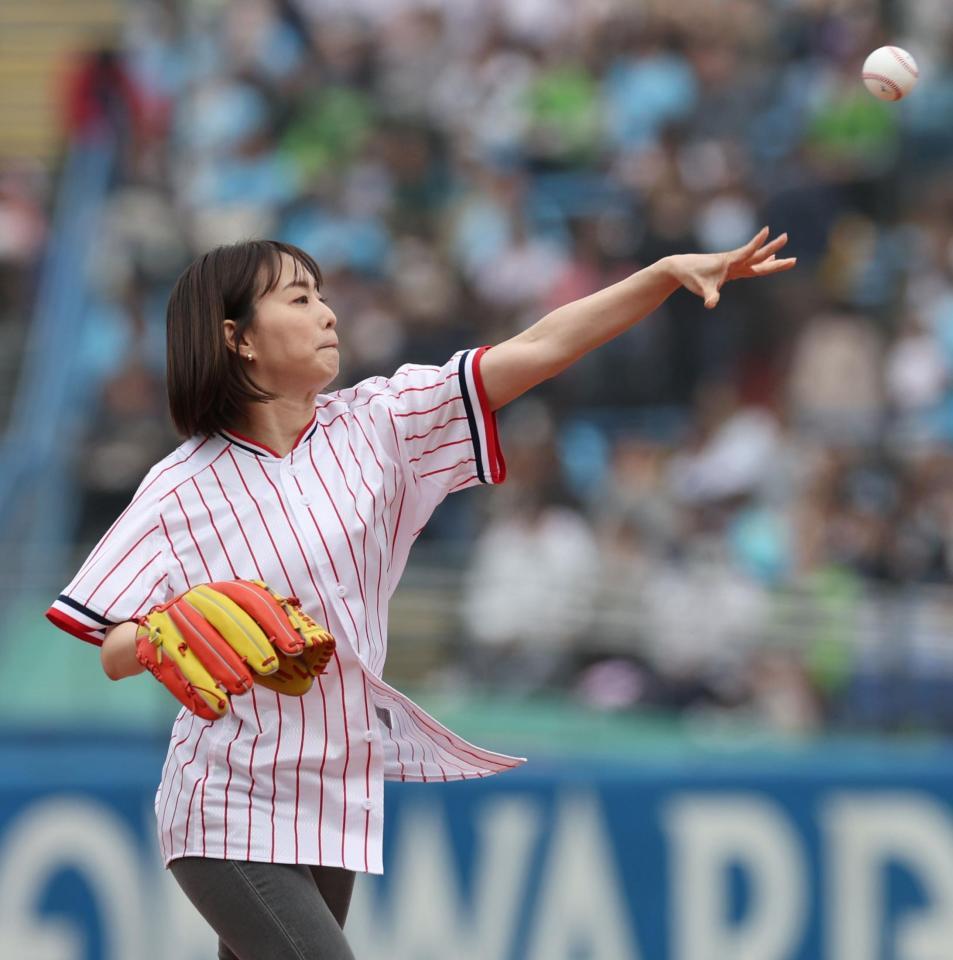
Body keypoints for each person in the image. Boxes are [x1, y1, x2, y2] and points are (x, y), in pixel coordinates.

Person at [45, 231, 794, 959]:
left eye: (323, 297)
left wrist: (659, 275)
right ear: (238, 338)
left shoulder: (381, 423)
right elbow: (105, 646)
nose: (327, 314)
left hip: (335, 783)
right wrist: (156, 633)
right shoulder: (180, 486)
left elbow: (534, 350)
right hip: (228, 794)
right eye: (299, 298)